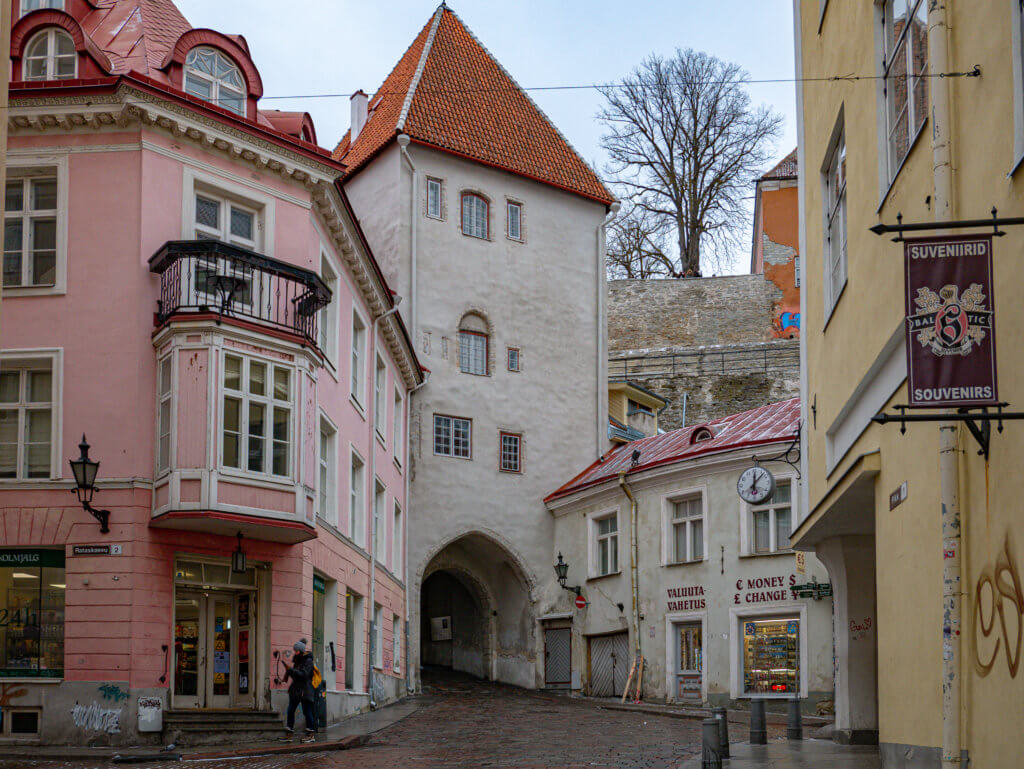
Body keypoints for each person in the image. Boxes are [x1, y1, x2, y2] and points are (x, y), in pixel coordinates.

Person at [282, 639, 317, 741]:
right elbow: (297, 675)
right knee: (290, 710)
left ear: (301, 651)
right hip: (296, 690)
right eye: (295, 650)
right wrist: (289, 672)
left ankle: (311, 735)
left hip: (305, 690)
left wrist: (292, 670)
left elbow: (304, 675)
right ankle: (289, 734)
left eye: (296, 650)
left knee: (307, 712)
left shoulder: (308, 661)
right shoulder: (298, 660)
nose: (295, 652)